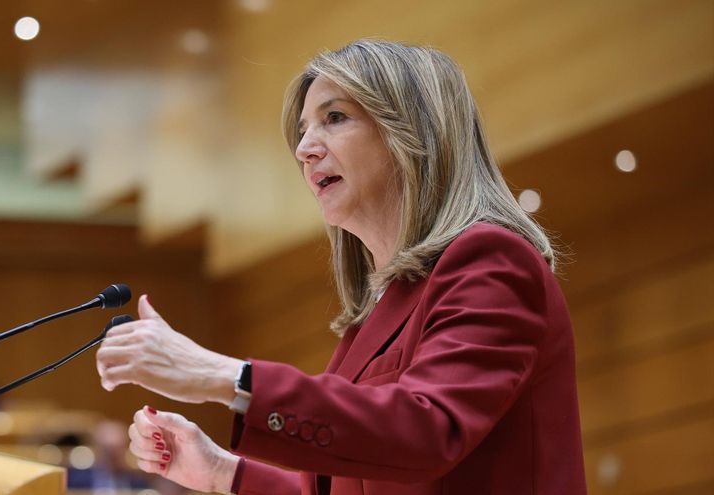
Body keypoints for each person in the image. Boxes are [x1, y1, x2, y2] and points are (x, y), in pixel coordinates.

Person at [95, 39, 587, 494]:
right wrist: (223, 471)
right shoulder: (378, 314)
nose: (304, 149)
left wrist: (222, 376)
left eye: (334, 117)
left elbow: (428, 431)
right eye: (304, 128)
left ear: (410, 133)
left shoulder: (491, 261)